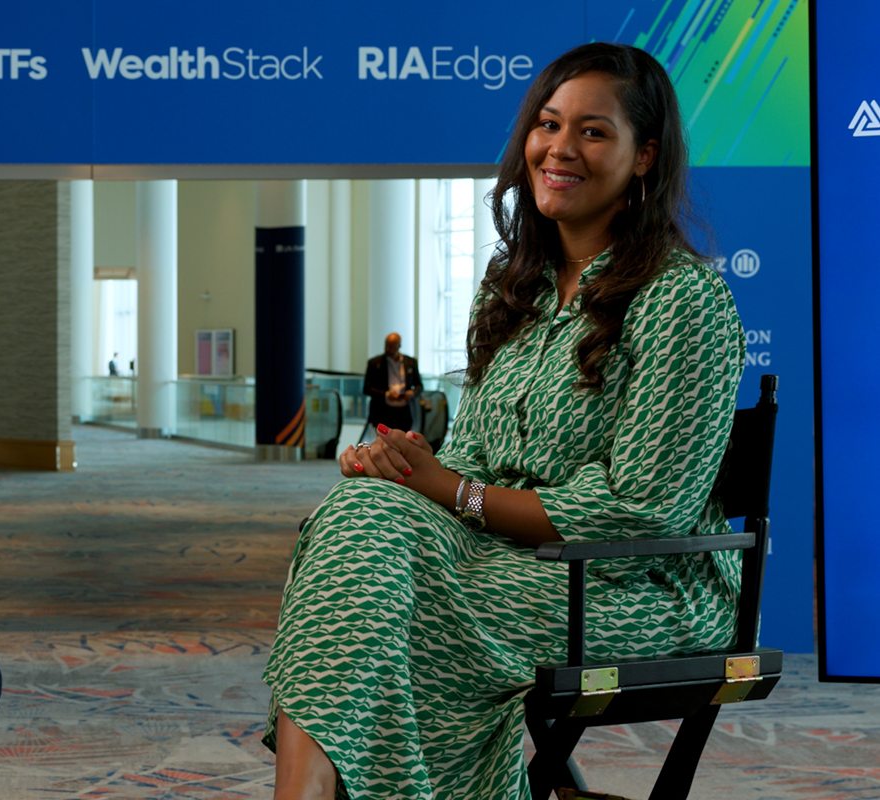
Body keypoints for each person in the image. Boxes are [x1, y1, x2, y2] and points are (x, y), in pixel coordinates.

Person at [264, 43, 745, 800]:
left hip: (635, 586)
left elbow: (641, 512)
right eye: (548, 124)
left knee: (379, 604)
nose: (560, 148)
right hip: (511, 562)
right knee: (363, 516)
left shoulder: (682, 299)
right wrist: (404, 471)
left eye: (593, 131)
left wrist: (453, 492)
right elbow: (475, 460)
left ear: (645, 156)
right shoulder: (511, 288)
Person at [362, 332, 422, 435]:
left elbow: (419, 385)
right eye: (386, 345)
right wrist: (387, 395)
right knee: (383, 440)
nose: (387, 349)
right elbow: (367, 388)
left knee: (403, 440)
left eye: (391, 346)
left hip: (404, 411)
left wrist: (411, 393)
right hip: (383, 411)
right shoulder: (375, 363)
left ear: (399, 345)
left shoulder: (410, 362)